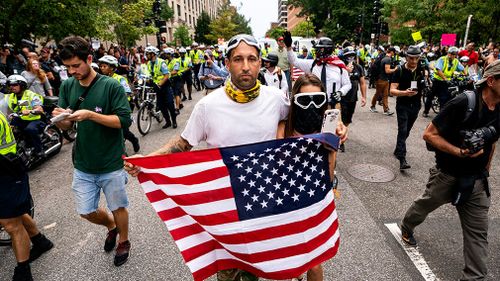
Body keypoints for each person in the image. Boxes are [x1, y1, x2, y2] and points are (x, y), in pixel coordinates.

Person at [126, 33, 291, 281]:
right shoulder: (208, 106)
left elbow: (299, 126)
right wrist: (147, 160)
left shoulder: (277, 99)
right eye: (238, 59)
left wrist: (337, 128)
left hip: (261, 199)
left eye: (251, 59)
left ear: (260, 62)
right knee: (227, 270)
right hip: (224, 205)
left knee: (256, 267)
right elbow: (183, 143)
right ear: (227, 63)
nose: (245, 66)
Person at [400, 60, 500, 281]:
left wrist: (485, 171)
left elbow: (492, 141)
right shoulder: (464, 102)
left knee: (478, 234)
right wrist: (459, 152)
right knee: (425, 204)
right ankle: (407, 226)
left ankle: (474, 277)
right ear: (491, 81)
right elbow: (429, 134)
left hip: (476, 181)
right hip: (447, 174)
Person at [52, 36, 132, 267]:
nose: (72, 71)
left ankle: (124, 241)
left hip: (111, 161)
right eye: (67, 67)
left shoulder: (111, 85)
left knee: (118, 206)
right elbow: (67, 126)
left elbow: (124, 121)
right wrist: (60, 119)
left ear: (89, 59)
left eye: (76, 65)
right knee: (86, 211)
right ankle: (111, 227)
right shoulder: (68, 85)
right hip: (83, 163)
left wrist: (90, 115)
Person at [277, 74, 344, 281]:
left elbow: (330, 168)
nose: (311, 105)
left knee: (314, 262)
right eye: (305, 100)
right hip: (287, 198)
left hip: (316, 197)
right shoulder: (284, 126)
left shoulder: (329, 126)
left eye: (318, 99)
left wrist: (332, 139)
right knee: (291, 256)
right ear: (295, 100)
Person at [0, 110, 54, 281]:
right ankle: (40, 241)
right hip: (7, 169)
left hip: (6, 171)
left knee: (11, 224)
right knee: (16, 214)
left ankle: (23, 271)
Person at [283, 31, 351, 109]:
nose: (316, 51)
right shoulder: (313, 64)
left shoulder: (339, 66)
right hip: (315, 104)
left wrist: (340, 92)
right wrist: (288, 47)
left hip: (332, 105)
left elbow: (347, 84)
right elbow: (294, 61)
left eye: (319, 49)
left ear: (326, 49)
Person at [389, 46, 426, 170]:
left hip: (415, 105)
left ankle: (397, 149)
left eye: (416, 58)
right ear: (406, 57)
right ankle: (402, 158)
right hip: (402, 105)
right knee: (403, 130)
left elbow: (423, 85)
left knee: (407, 131)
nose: (414, 61)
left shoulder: (422, 70)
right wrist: (405, 92)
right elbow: (392, 90)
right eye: (411, 58)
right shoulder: (399, 70)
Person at [98, 55, 140, 153]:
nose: (102, 68)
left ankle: (134, 140)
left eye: (105, 66)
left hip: (123, 106)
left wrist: (115, 101)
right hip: (109, 108)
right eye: (101, 66)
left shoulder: (120, 79)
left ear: (112, 68)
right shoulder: (101, 79)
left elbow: (127, 92)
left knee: (123, 130)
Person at [4, 75, 45, 158]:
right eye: (10, 85)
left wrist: (30, 111)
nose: (12, 87)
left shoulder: (31, 95)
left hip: (35, 119)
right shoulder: (11, 97)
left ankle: (40, 150)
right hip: (22, 119)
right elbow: (4, 106)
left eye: (15, 85)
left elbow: (40, 109)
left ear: (22, 85)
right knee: (9, 129)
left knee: (30, 129)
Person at [422, 46, 465, 117]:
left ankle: (441, 115)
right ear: (448, 53)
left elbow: (462, 69)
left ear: (455, 55)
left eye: (453, 54)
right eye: (450, 53)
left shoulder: (456, 61)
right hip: (437, 81)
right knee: (430, 96)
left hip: (446, 82)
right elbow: (438, 70)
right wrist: (445, 78)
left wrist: (466, 75)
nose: (451, 55)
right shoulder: (442, 59)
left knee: (444, 99)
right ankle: (426, 111)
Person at [340, 47, 367, 152]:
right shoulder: (340, 67)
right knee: (341, 118)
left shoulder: (359, 67)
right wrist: (346, 71)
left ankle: (342, 134)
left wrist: (364, 97)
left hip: (352, 98)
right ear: (345, 57)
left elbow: (362, 83)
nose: (351, 58)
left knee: (347, 119)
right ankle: (340, 140)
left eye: (352, 55)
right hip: (341, 98)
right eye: (348, 56)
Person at [145, 46, 177, 129]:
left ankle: (174, 121)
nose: (146, 55)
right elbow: (150, 74)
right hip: (156, 87)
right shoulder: (148, 63)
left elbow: (166, 75)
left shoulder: (161, 62)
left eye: (148, 53)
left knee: (170, 104)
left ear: (153, 54)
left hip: (165, 86)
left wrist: (160, 84)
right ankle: (168, 122)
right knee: (162, 106)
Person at [370, 47, 397, 115]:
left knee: (384, 95)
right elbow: (387, 70)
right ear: (391, 52)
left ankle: (386, 110)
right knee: (378, 94)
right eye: (394, 52)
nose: (394, 53)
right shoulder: (388, 59)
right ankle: (372, 106)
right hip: (382, 80)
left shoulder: (384, 58)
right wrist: (395, 69)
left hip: (383, 79)